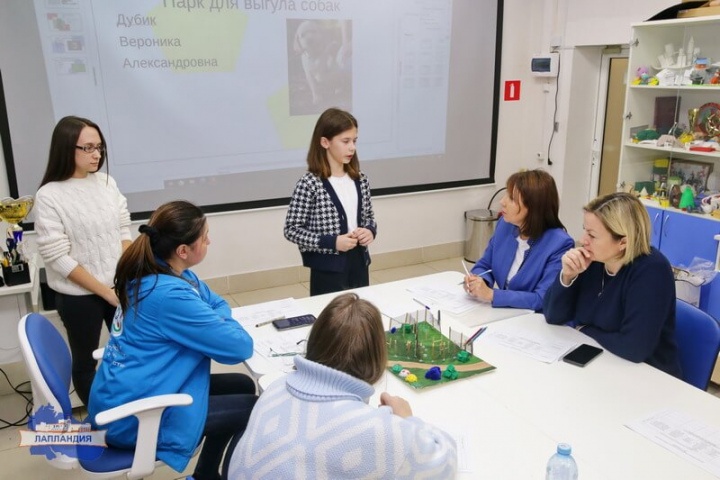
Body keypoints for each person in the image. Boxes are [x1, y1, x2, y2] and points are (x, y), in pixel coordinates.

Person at [87, 201, 257, 480]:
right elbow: (239, 347)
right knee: (254, 410)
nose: (209, 241)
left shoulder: (168, 273)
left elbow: (218, 303)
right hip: (132, 416)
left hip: (128, 390)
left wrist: (215, 318)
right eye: (205, 238)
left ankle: (205, 476)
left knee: (242, 384)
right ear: (183, 251)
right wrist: (217, 321)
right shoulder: (168, 295)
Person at [227, 293, 457, 479]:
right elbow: (444, 463)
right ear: (376, 359)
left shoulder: (276, 387)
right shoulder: (380, 430)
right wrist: (408, 420)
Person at [34, 116, 132, 406]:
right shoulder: (49, 195)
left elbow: (123, 229)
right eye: (88, 147)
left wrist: (123, 279)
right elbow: (58, 258)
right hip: (80, 296)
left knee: (129, 352)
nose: (96, 154)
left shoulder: (106, 182)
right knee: (86, 360)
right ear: (67, 149)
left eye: (99, 147)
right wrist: (105, 292)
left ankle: (130, 410)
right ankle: (102, 421)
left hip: (117, 287)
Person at [543, 192, 682, 377]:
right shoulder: (593, 260)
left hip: (647, 376)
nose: (584, 240)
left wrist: (585, 329)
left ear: (623, 241)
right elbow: (554, 316)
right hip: (602, 364)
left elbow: (634, 348)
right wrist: (567, 277)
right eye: (585, 230)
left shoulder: (652, 271)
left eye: (592, 235)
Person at [284, 108, 377, 296]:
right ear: (325, 142)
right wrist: (332, 242)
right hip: (328, 269)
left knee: (359, 316)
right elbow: (291, 229)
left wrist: (370, 230)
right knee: (331, 320)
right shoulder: (309, 183)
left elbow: (369, 217)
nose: (352, 147)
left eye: (354, 141)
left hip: (359, 262)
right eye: (345, 141)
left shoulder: (361, 179)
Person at [463, 169, 574, 311]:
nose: (502, 202)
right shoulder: (505, 224)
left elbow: (542, 299)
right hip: (506, 313)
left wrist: (492, 294)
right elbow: (485, 265)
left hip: (533, 320)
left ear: (533, 207)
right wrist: (477, 281)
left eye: (512, 198)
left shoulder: (559, 244)